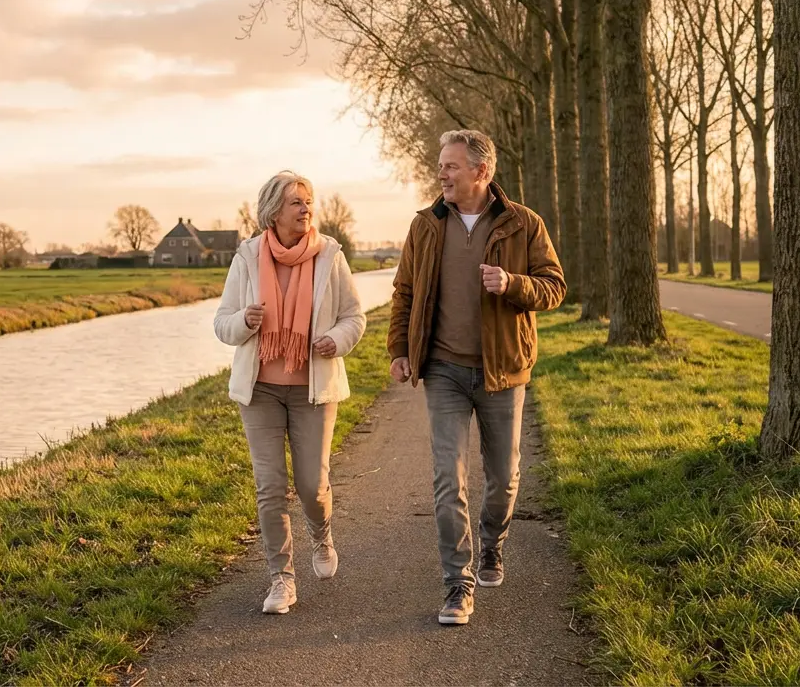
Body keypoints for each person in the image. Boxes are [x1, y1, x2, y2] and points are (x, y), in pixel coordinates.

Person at [388, 130, 566, 626]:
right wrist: (400, 350)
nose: (441, 173)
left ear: (481, 172)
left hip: (503, 370)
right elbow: (404, 291)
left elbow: (555, 287)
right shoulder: (425, 226)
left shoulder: (523, 223)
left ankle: (492, 543)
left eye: (451, 166)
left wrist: (513, 284)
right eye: (441, 165)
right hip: (443, 369)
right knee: (449, 478)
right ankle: (456, 584)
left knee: (504, 479)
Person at [214, 170, 367, 614]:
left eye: (307, 201)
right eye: (296, 202)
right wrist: (245, 321)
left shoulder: (330, 256)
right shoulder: (246, 257)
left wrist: (334, 341)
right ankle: (281, 578)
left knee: (311, 485)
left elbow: (354, 317)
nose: (305, 208)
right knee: (269, 486)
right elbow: (222, 322)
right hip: (259, 389)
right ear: (272, 212)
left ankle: (321, 532)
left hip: (312, 390)